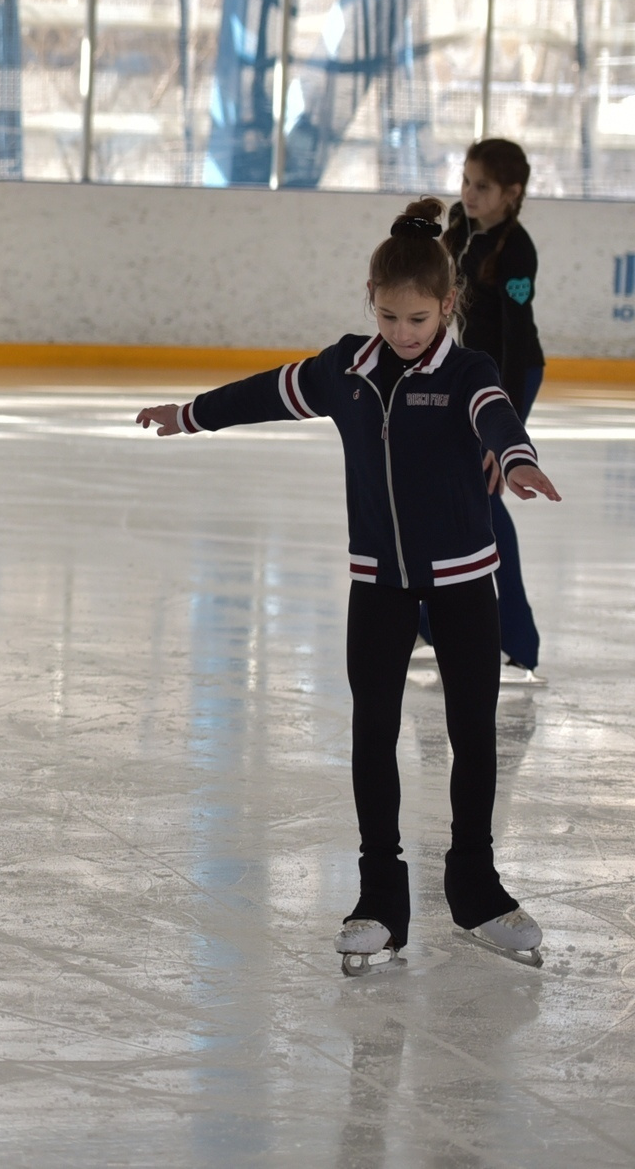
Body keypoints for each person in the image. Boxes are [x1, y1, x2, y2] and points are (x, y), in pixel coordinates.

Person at [136, 198, 561, 974]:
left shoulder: (468, 370)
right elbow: (268, 391)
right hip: (380, 583)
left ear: (448, 305)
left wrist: (519, 456)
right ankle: (379, 899)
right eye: (390, 315)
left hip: (465, 583)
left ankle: (476, 887)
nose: (404, 331)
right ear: (371, 299)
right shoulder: (348, 370)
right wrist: (190, 414)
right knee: (373, 732)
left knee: (473, 734)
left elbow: (495, 415)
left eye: (419, 318)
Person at [442, 137, 545, 684]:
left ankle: (519, 638)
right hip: (470, 376)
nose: (469, 193)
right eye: (466, 181)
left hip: (509, 377)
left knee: (483, 497)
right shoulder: (460, 224)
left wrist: (503, 435)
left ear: (512, 192)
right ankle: (430, 623)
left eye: (482, 186)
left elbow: (515, 339)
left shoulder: (517, 251)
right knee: (454, 492)